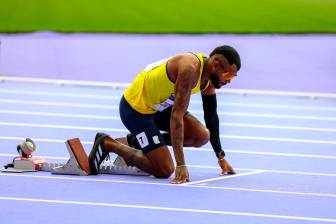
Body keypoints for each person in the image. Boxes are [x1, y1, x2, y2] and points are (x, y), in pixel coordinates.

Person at [89, 45, 241, 184]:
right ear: (215, 65)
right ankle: (108, 143)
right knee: (164, 170)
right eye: (228, 76)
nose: (228, 81)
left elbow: (211, 117)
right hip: (135, 109)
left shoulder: (209, 81)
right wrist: (180, 165)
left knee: (202, 136)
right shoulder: (190, 69)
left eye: (232, 78)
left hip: (159, 109)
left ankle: (138, 142)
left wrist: (220, 156)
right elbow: (176, 118)